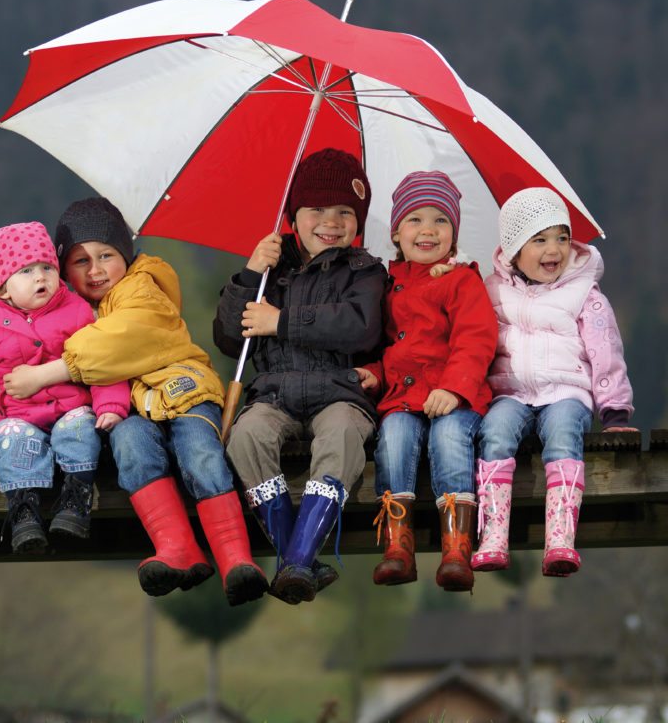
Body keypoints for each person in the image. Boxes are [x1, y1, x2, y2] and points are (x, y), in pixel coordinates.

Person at [2, 198, 268, 606]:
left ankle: (235, 557)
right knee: (130, 448)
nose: (95, 270)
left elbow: (120, 338)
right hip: (128, 407)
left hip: (182, 391)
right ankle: (177, 547)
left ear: (125, 255)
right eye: (80, 261)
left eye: (106, 255)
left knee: (199, 450)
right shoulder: (68, 310)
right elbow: (19, 352)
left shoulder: (143, 288)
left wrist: (44, 374)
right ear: (62, 270)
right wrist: (3, 389)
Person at [214, 148, 387, 605]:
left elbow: (360, 325)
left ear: (359, 221)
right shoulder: (271, 267)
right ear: (294, 215)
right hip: (274, 393)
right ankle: (300, 563)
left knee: (343, 437)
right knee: (246, 437)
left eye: (344, 212)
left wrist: (282, 321)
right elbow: (230, 340)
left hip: (340, 391)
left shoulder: (365, 270)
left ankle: (297, 556)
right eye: (316, 210)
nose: (329, 221)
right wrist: (250, 274)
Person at [0, 222, 130, 553]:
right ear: (2, 288)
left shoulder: (77, 311)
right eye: (26, 271)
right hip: (17, 414)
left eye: (47, 267)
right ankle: (24, 508)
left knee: (80, 426)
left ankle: (75, 495)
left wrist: (111, 406)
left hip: (70, 408)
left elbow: (103, 364)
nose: (40, 277)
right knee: (13, 439)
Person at [472, 187, 635, 577]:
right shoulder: (492, 292)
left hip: (566, 392)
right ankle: (493, 535)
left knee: (562, 433)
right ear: (513, 249)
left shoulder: (584, 293)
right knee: (495, 432)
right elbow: (476, 343)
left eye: (562, 238)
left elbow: (606, 353)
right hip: (510, 393)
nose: (554, 249)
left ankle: (560, 539)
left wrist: (613, 410)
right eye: (540, 239)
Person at [357, 171, 497, 593]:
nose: (428, 230)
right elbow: (384, 347)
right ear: (396, 232)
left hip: (455, 397)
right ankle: (398, 547)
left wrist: (454, 388)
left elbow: (476, 338)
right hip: (403, 399)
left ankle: (457, 549)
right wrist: (374, 375)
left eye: (440, 220)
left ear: (453, 233)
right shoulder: (386, 286)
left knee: (449, 439)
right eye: (415, 220)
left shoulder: (461, 280)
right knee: (394, 437)